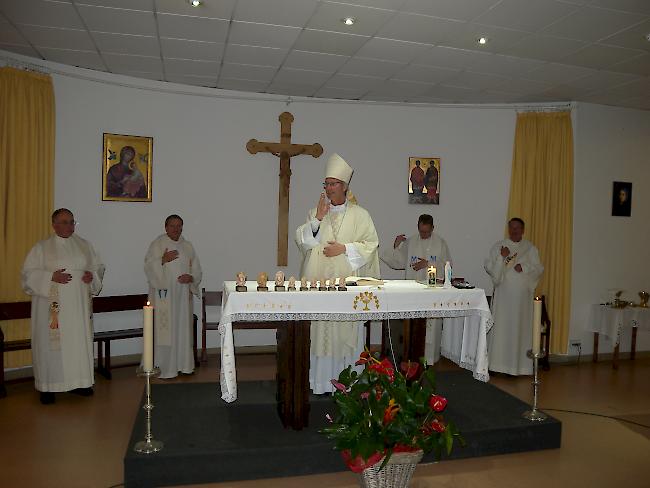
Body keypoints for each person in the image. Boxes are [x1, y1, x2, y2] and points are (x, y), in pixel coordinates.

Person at [295, 153, 380, 393]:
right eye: (326, 184)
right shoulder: (315, 212)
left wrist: (344, 249)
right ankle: (323, 383)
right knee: (322, 331)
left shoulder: (360, 215)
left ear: (344, 186)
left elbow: (370, 244)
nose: (329, 188)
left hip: (347, 289)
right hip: (321, 286)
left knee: (346, 333)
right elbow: (302, 242)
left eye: (333, 184)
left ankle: (351, 384)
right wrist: (319, 218)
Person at [21, 208, 105, 404]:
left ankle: (80, 382)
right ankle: (48, 386)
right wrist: (51, 276)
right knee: (51, 345)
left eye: (71, 222)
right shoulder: (42, 248)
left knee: (77, 342)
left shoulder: (84, 245)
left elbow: (98, 266)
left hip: (78, 306)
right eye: (64, 222)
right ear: (54, 224)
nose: (69, 226)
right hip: (52, 307)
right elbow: (27, 274)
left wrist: (91, 275)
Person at [381, 214, 452, 364]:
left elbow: (447, 266)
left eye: (426, 231)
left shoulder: (440, 243)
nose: (423, 234)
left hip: (432, 290)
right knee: (413, 326)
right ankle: (412, 358)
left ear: (433, 228)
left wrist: (428, 263)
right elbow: (399, 262)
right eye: (421, 231)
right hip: (413, 290)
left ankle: (429, 359)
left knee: (430, 328)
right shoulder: (411, 242)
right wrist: (396, 246)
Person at [144, 214, 202, 379]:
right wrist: (162, 260)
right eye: (173, 226)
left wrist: (191, 278)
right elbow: (148, 266)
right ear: (166, 227)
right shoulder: (158, 243)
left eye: (179, 226)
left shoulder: (188, 246)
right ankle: (166, 367)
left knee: (182, 329)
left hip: (183, 296)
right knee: (166, 331)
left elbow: (197, 270)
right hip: (165, 296)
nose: (176, 229)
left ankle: (184, 365)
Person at [484, 218, 543, 376]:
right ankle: (497, 366)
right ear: (508, 229)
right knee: (502, 329)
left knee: (519, 330)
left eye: (517, 228)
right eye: (511, 228)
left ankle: (518, 368)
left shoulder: (529, 248)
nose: (514, 231)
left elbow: (538, 268)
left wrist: (523, 266)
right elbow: (489, 267)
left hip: (521, 302)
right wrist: (501, 257)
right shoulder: (499, 246)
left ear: (523, 230)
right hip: (503, 298)